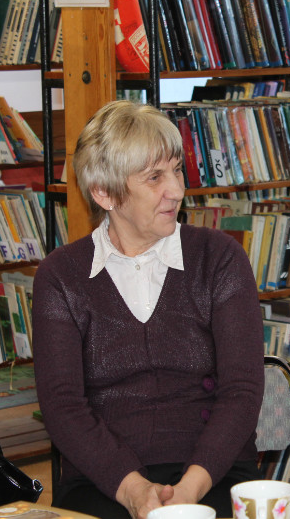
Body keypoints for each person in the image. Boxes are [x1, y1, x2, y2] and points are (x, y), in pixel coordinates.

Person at [33, 101, 265, 519]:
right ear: (104, 193)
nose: (175, 190)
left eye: (176, 170)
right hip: (103, 480)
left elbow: (243, 390)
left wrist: (189, 490)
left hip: (213, 474)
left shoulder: (219, 257)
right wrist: (134, 491)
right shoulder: (60, 276)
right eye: (155, 177)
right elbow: (62, 406)